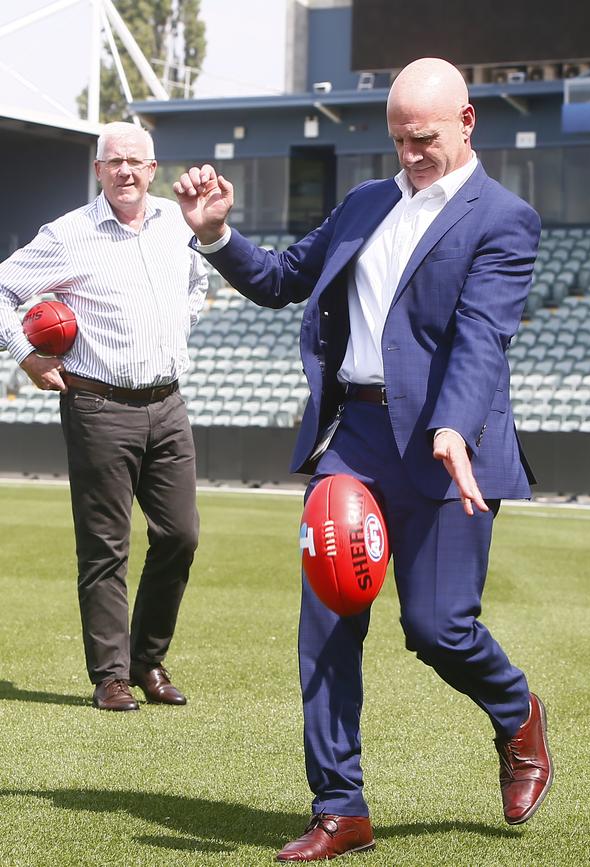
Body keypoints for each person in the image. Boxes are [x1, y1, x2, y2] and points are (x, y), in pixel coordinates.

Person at [174, 57, 553, 860]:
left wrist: (452, 428)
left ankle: (518, 713)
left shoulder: (505, 219)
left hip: (452, 445)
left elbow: (482, 337)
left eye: (425, 139)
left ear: (466, 123)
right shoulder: (366, 203)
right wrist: (215, 235)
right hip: (355, 440)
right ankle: (339, 806)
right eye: (399, 140)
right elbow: (282, 280)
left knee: (438, 627)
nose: (411, 155)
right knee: (329, 616)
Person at [0, 122, 207, 712]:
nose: (125, 171)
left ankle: (147, 660)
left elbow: (196, 284)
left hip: (167, 403)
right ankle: (112, 676)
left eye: (136, 161)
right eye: (114, 161)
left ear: (152, 167)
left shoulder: (175, 222)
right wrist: (27, 357)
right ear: (98, 171)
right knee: (105, 546)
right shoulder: (68, 234)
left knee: (181, 536)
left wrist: (176, 327)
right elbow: (1, 289)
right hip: (97, 404)